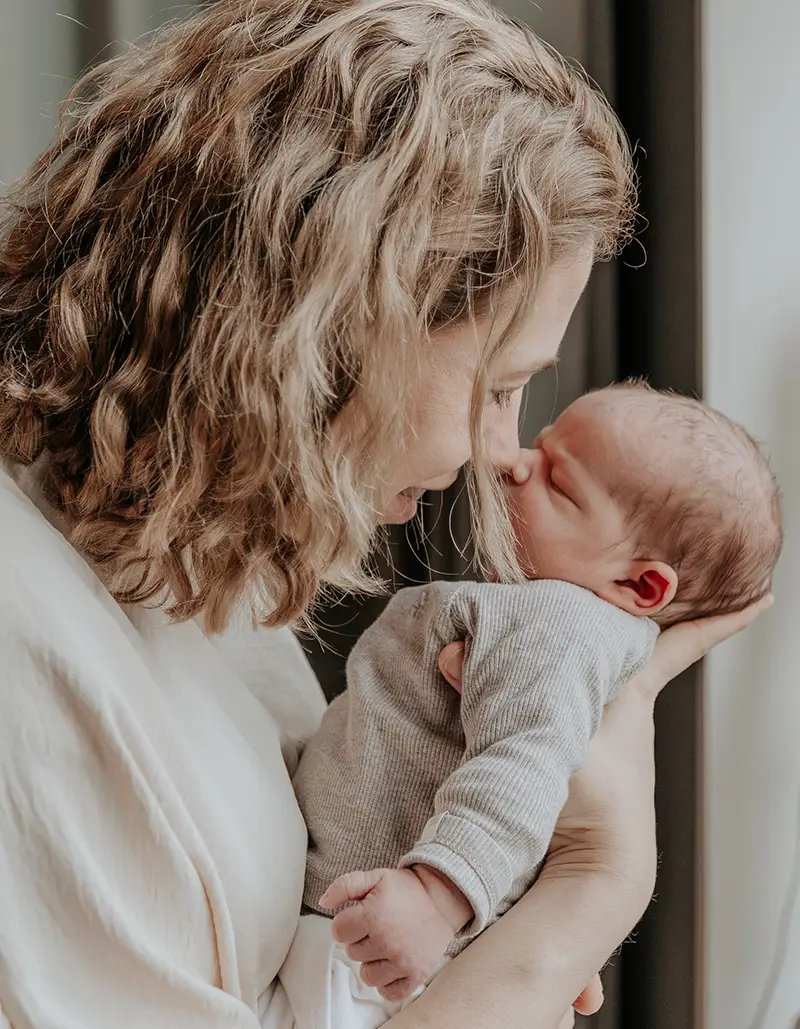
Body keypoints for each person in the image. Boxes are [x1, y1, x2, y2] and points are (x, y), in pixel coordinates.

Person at [0, 1, 770, 1028]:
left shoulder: (209, 575)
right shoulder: (28, 648)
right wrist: (590, 888)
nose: (497, 454)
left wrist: (485, 937)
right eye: (497, 387)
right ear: (337, 331)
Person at [290, 382, 782, 1021]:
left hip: (376, 943)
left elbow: (519, 768)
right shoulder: (568, 636)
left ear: (640, 582)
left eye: (559, 482)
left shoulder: (559, 623)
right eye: (541, 446)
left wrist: (437, 898)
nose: (517, 463)